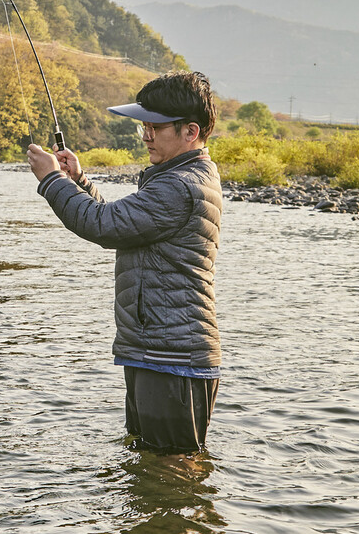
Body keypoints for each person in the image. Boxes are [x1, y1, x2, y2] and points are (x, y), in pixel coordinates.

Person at [27, 70, 222, 454]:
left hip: (172, 358)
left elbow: (101, 225)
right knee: (151, 468)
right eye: (143, 127)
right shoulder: (180, 178)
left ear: (191, 132)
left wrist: (51, 180)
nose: (146, 135)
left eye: (156, 127)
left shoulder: (178, 186)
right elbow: (122, 223)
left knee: (173, 472)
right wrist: (78, 180)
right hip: (160, 351)